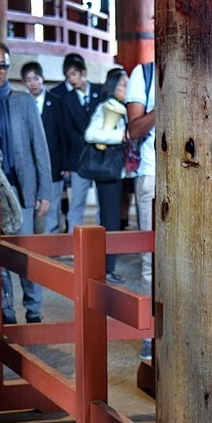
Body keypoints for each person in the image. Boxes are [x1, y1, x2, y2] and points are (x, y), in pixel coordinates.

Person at [0, 41, 51, 324]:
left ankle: (34, 310)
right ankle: (5, 312)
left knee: (25, 254)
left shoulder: (22, 101)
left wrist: (44, 189)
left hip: (20, 188)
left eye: (4, 65)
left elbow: (39, 147)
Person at [83, 67, 132, 284]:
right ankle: (106, 269)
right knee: (109, 221)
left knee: (116, 220)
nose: (126, 88)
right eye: (123, 84)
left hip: (121, 172)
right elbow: (91, 134)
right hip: (108, 173)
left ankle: (108, 266)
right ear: (113, 86)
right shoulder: (105, 107)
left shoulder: (124, 107)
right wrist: (121, 135)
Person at [43, 52, 100, 234]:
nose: (71, 79)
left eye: (74, 74)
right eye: (68, 76)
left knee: (102, 203)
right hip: (78, 159)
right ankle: (72, 243)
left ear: (83, 72)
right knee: (77, 204)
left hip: (101, 157)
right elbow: (66, 132)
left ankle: (102, 243)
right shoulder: (67, 99)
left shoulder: (100, 91)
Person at [126, 60, 157, 360]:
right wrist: (167, 101)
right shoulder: (144, 74)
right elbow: (134, 130)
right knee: (151, 261)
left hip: (199, 173)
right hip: (153, 174)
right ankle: (150, 332)